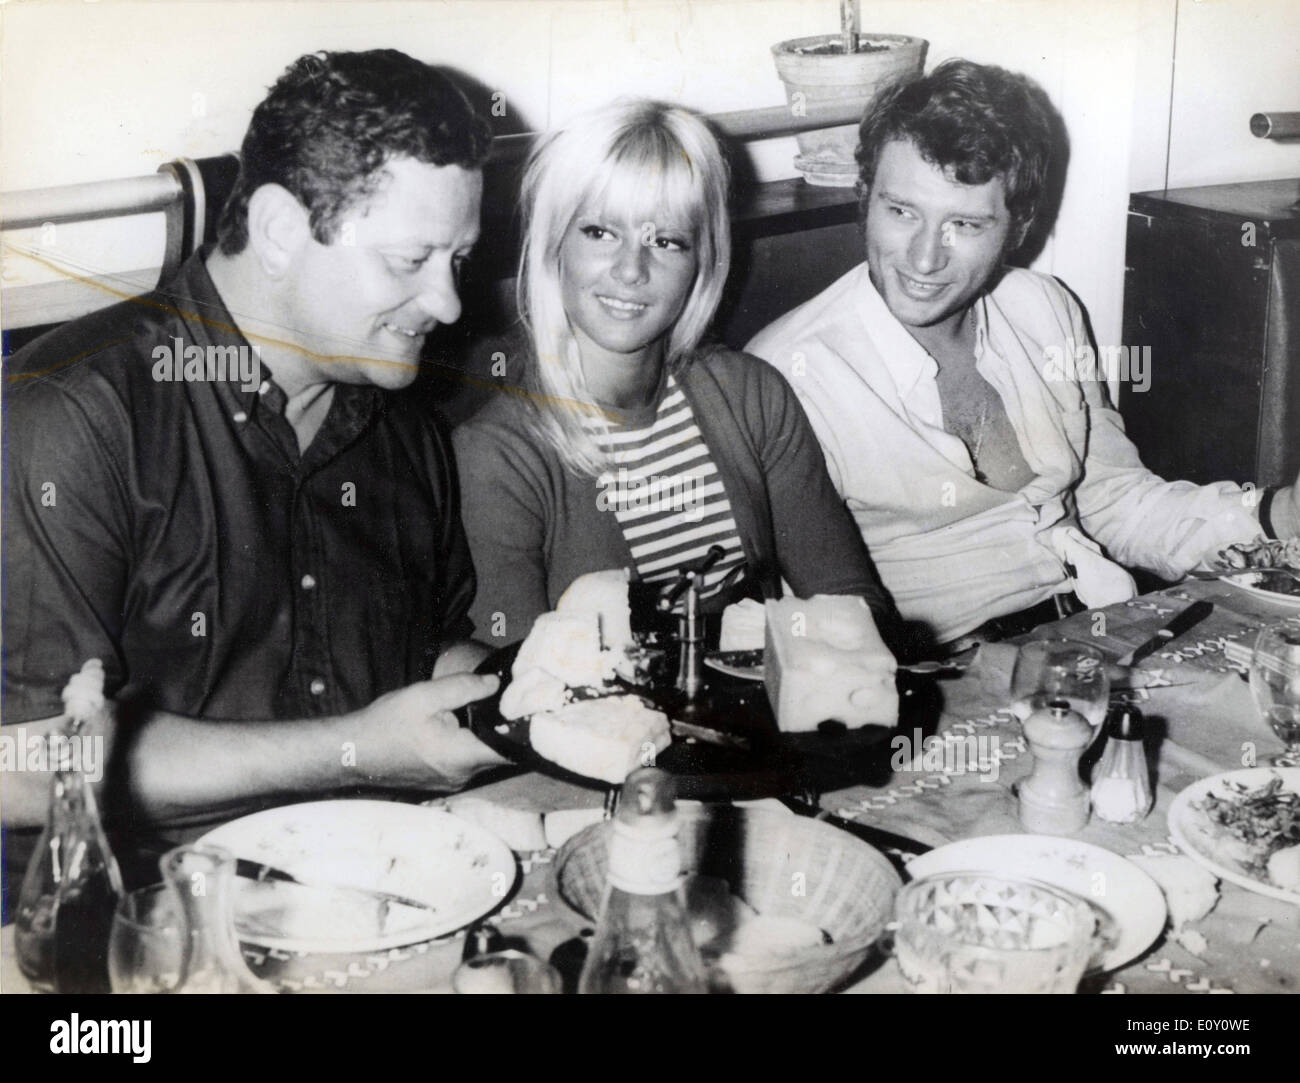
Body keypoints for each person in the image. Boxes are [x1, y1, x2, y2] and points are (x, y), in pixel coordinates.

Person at [2, 50, 508, 877]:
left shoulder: (403, 429)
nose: (449, 304)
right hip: (136, 924)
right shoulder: (70, 414)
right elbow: (21, 763)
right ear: (279, 230)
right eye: (408, 260)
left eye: (456, 261)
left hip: (368, 888)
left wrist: (540, 683)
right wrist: (351, 752)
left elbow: (424, 656)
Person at [746, 59, 1300, 649]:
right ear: (865, 198)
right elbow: (810, 626)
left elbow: (1113, 500)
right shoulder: (789, 377)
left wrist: (1277, 515)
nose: (924, 258)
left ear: (1019, 227)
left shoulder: (1045, 308)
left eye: (965, 223)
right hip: (930, 683)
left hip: (1097, 638)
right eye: (901, 211)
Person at [453, 99, 904, 651]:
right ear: (553, 247)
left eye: (665, 241)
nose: (630, 270)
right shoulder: (496, 455)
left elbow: (852, 604)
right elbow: (519, 688)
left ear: (703, 261)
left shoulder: (751, 395)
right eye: (599, 232)